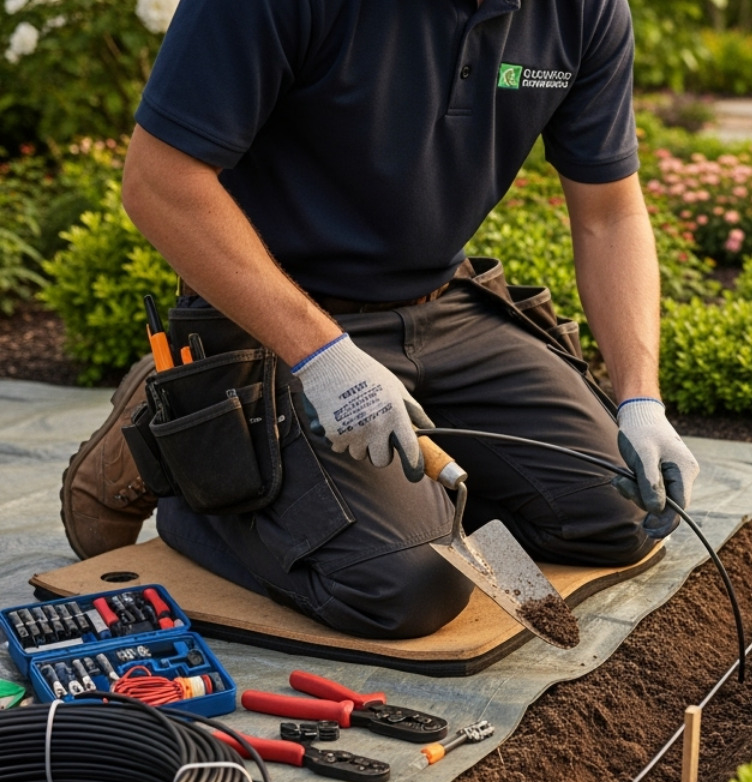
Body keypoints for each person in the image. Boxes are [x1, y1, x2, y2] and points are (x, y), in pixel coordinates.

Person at [59, 0, 699, 640]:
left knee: (621, 515)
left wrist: (641, 401)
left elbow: (609, 213)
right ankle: (198, 454)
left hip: (445, 308)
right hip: (275, 328)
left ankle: (372, 498)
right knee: (408, 586)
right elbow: (159, 181)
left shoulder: (585, 10)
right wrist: (325, 358)